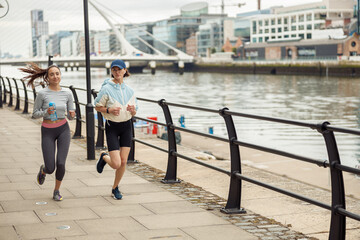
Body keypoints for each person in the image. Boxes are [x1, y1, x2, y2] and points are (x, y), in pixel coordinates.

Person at [19, 63, 75, 201]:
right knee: (51, 168)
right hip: (48, 131)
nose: (55, 76)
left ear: (60, 75)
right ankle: (43, 170)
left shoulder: (67, 93)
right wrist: (46, 112)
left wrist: (72, 114)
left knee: (61, 164)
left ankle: (56, 190)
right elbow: (34, 114)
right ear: (47, 78)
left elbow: (71, 116)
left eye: (57, 73)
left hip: (63, 129)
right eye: (52, 74)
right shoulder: (42, 94)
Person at [94, 59, 137, 200]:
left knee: (123, 162)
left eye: (120, 69)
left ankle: (115, 188)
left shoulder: (130, 91)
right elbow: (96, 106)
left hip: (126, 127)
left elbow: (135, 111)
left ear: (125, 71)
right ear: (112, 72)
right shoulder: (107, 89)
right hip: (112, 127)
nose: (117, 72)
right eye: (114, 70)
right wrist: (109, 110)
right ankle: (104, 157)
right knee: (116, 163)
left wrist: (133, 110)